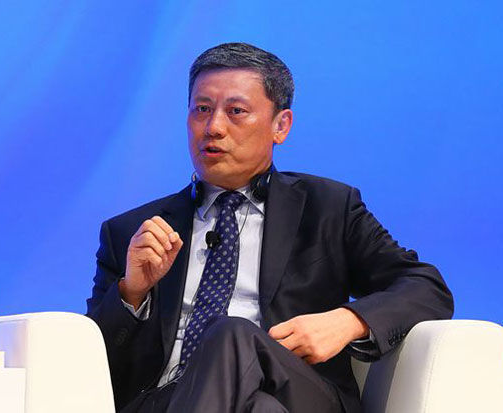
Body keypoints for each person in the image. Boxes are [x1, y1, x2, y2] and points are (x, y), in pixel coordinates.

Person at [86, 42, 453, 413]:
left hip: (297, 392)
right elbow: (89, 360)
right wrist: (132, 293)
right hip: (167, 401)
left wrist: (348, 321)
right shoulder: (134, 233)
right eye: (202, 109)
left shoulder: (328, 208)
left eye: (236, 111)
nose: (213, 127)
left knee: (230, 334)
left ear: (281, 126)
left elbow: (425, 287)